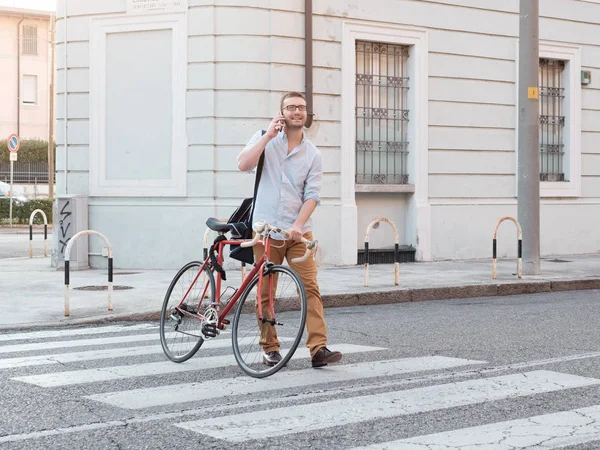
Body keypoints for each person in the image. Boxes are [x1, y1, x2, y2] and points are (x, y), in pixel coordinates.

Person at [237, 91, 342, 368]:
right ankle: (270, 347)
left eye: (302, 107)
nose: (297, 111)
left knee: (310, 289)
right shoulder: (264, 138)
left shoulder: (313, 154)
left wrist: (297, 225)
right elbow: (243, 164)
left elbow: (312, 195)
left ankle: (318, 348)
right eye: (291, 107)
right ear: (281, 112)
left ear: (306, 114)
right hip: (266, 231)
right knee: (265, 292)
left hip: (298, 234)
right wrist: (268, 136)